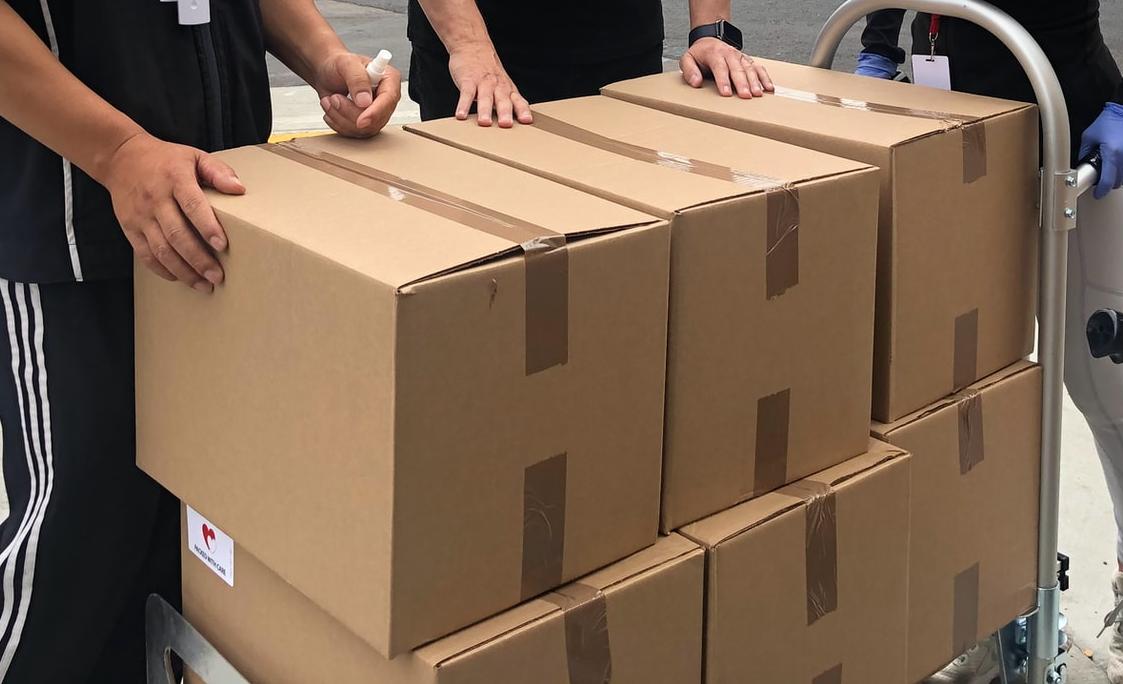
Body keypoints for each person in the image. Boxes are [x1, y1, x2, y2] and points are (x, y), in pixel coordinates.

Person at [0, 1, 400, 680]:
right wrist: (119, 152)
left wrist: (325, 56)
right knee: (80, 533)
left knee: (193, 537)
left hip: (224, 218)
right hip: (76, 231)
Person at [855, 3, 1123, 683]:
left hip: (1074, 138)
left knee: (1097, 380)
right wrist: (878, 44)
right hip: (943, 133)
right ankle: (992, 603)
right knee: (962, 393)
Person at [406, 0, 774, 125]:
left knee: (624, 238)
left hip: (620, 48)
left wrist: (711, 30)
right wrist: (468, 43)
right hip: (481, 51)